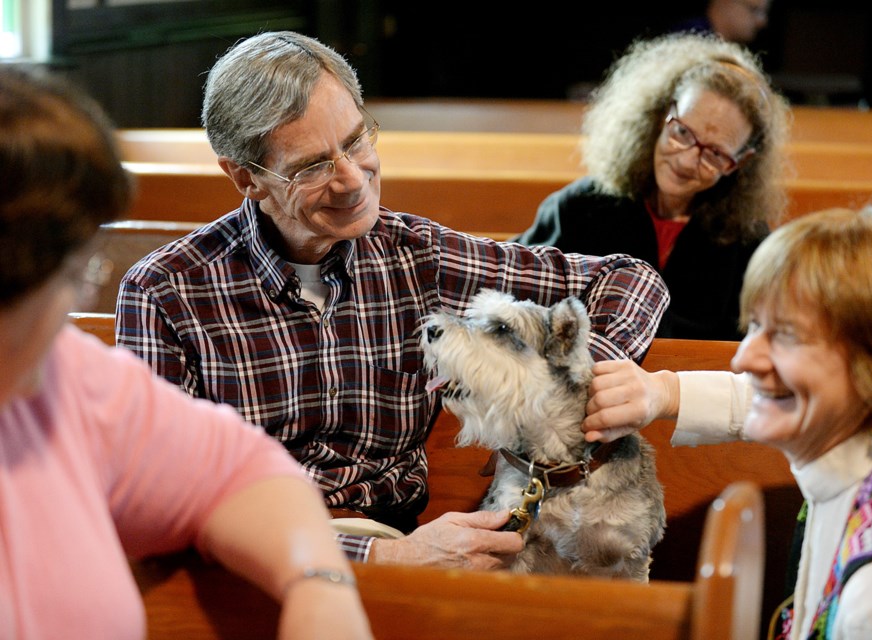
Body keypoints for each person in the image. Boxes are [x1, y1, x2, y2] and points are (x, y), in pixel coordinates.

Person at [115, 31, 669, 568]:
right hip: (249, 565)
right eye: (312, 165)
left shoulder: (415, 255)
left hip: (404, 538)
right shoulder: (166, 292)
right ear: (245, 178)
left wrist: (591, 376)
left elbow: (630, 279)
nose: (354, 180)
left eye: (357, 140)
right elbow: (155, 503)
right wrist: (384, 557)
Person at [0, 66, 372, 639]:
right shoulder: (165, 287)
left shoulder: (61, 376)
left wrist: (320, 585)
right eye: (75, 275)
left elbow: (238, 467)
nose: (74, 305)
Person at [583, 206, 872, 638]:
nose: (744, 357)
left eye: (786, 335)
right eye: (756, 324)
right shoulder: (871, 444)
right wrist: (664, 391)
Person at [514, 32, 790, 340]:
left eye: (715, 153)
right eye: (682, 132)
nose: (686, 162)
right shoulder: (577, 208)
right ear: (662, 116)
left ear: (740, 162)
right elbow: (515, 300)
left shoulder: (748, 243)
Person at [673, 0, 772, 45]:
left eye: (763, 13)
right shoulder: (690, 39)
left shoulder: (722, 43)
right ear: (725, 2)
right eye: (754, 10)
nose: (762, 22)